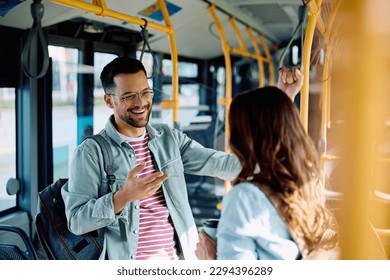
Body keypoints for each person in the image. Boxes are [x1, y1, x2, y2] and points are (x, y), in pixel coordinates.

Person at [61, 56, 301, 260]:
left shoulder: (168, 139)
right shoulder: (91, 152)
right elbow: (77, 221)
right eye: (128, 97)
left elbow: (228, 165)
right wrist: (123, 197)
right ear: (109, 100)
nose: (140, 103)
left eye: (146, 92)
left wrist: (282, 101)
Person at [195, 74, 339, 260]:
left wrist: (210, 258)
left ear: (244, 138)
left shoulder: (244, 198)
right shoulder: (309, 181)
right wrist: (283, 100)